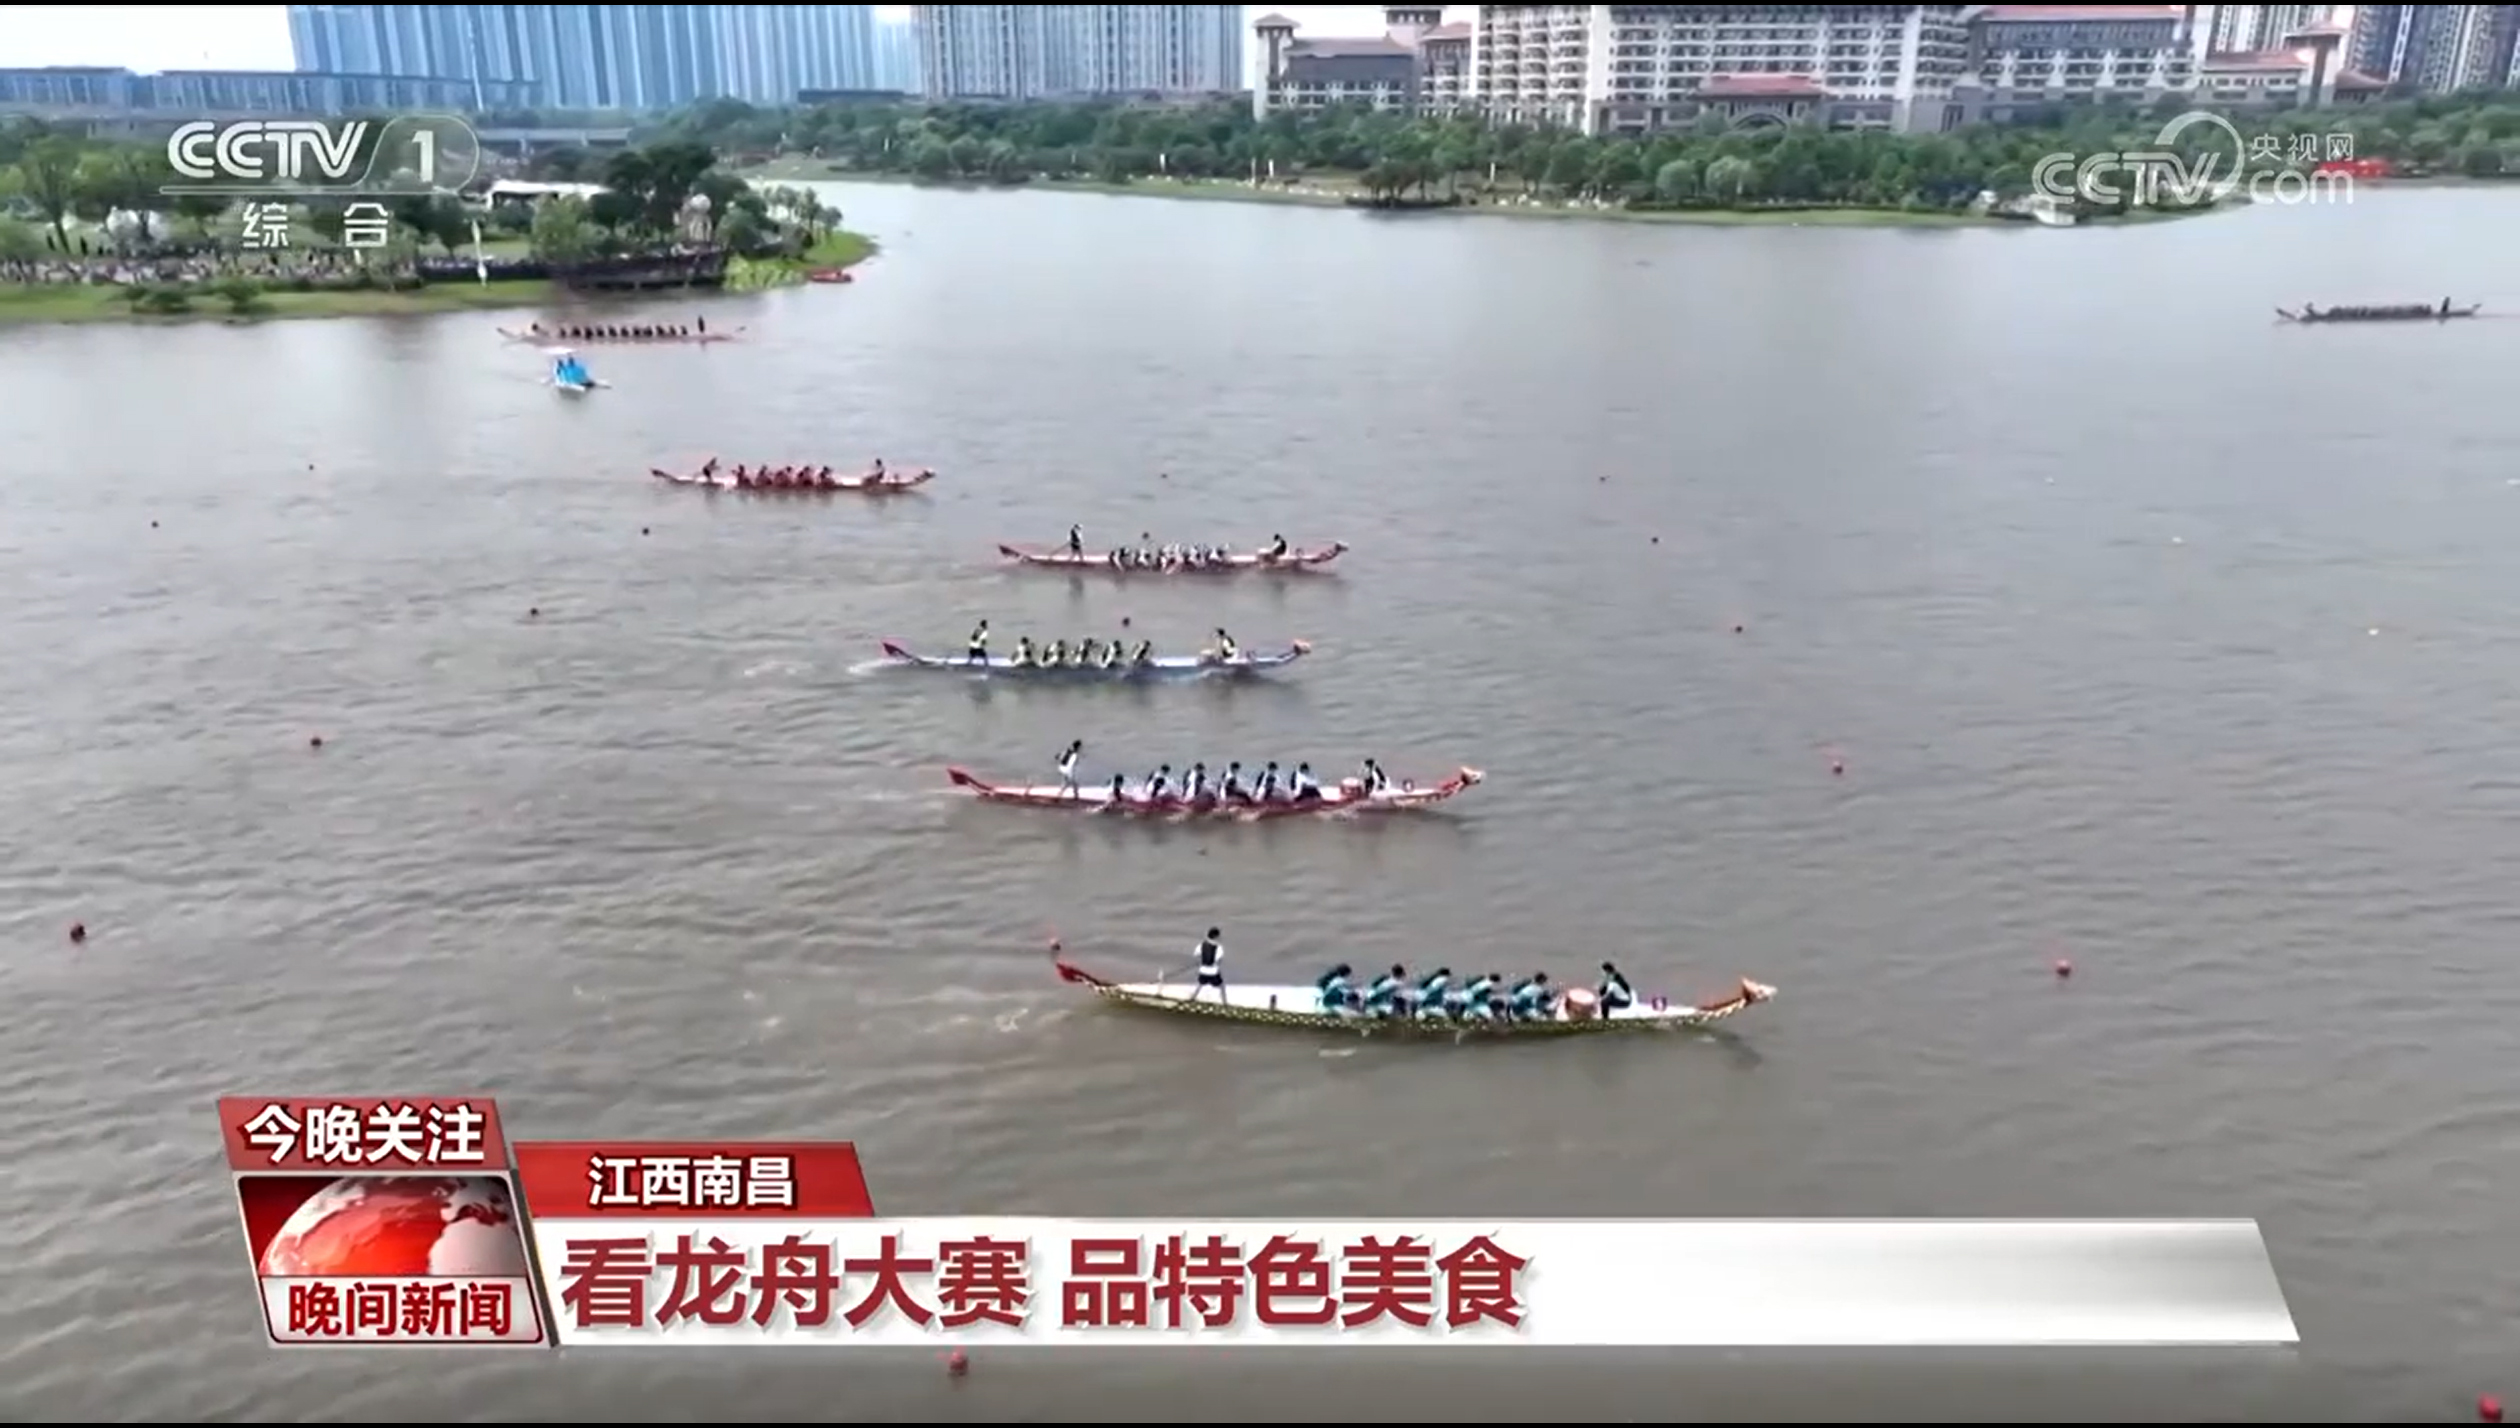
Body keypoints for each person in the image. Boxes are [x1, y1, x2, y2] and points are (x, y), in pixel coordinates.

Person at [1190, 928, 1227, 1003]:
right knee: (1221, 986)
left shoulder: (1201, 945)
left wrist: (1201, 961)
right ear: (1216, 937)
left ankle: (1192, 998)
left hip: (1203, 970)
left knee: (1200, 984)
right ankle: (1225, 1003)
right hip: (1213, 972)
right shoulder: (1219, 948)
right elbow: (1218, 960)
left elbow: (1196, 955)